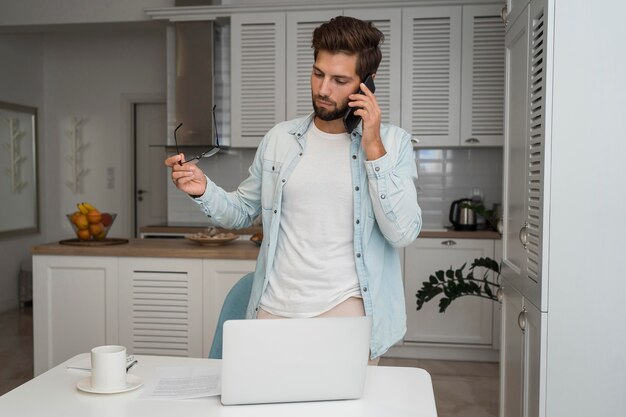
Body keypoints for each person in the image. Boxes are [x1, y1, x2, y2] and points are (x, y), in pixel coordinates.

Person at [165, 16, 422, 363]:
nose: (323, 89)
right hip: (273, 308)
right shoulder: (279, 140)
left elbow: (402, 232)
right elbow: (242, 211)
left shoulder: (394, 142)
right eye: (318, 74)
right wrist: (202, 189)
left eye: (340, 80)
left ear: (367, 85)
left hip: (345, 312)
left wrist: (373, 147)